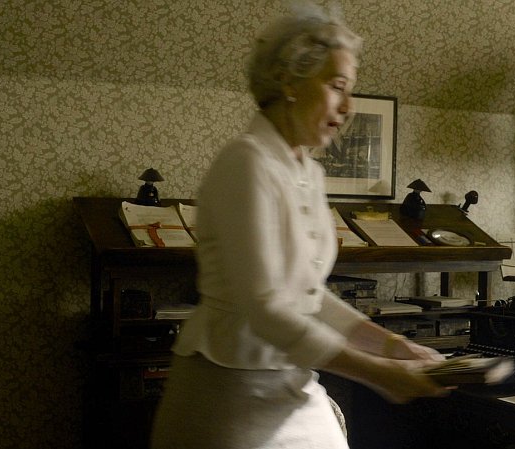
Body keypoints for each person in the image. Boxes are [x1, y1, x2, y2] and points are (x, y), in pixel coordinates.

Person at [151, 5, 447, 449]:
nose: (348, 107)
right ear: (289, 81)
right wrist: (377, 373)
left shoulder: (308, 172)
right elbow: (267, 308)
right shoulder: (245, 162)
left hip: (293, 383)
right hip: (228, 393)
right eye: (337, 86)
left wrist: (391, 346)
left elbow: (308, 297)